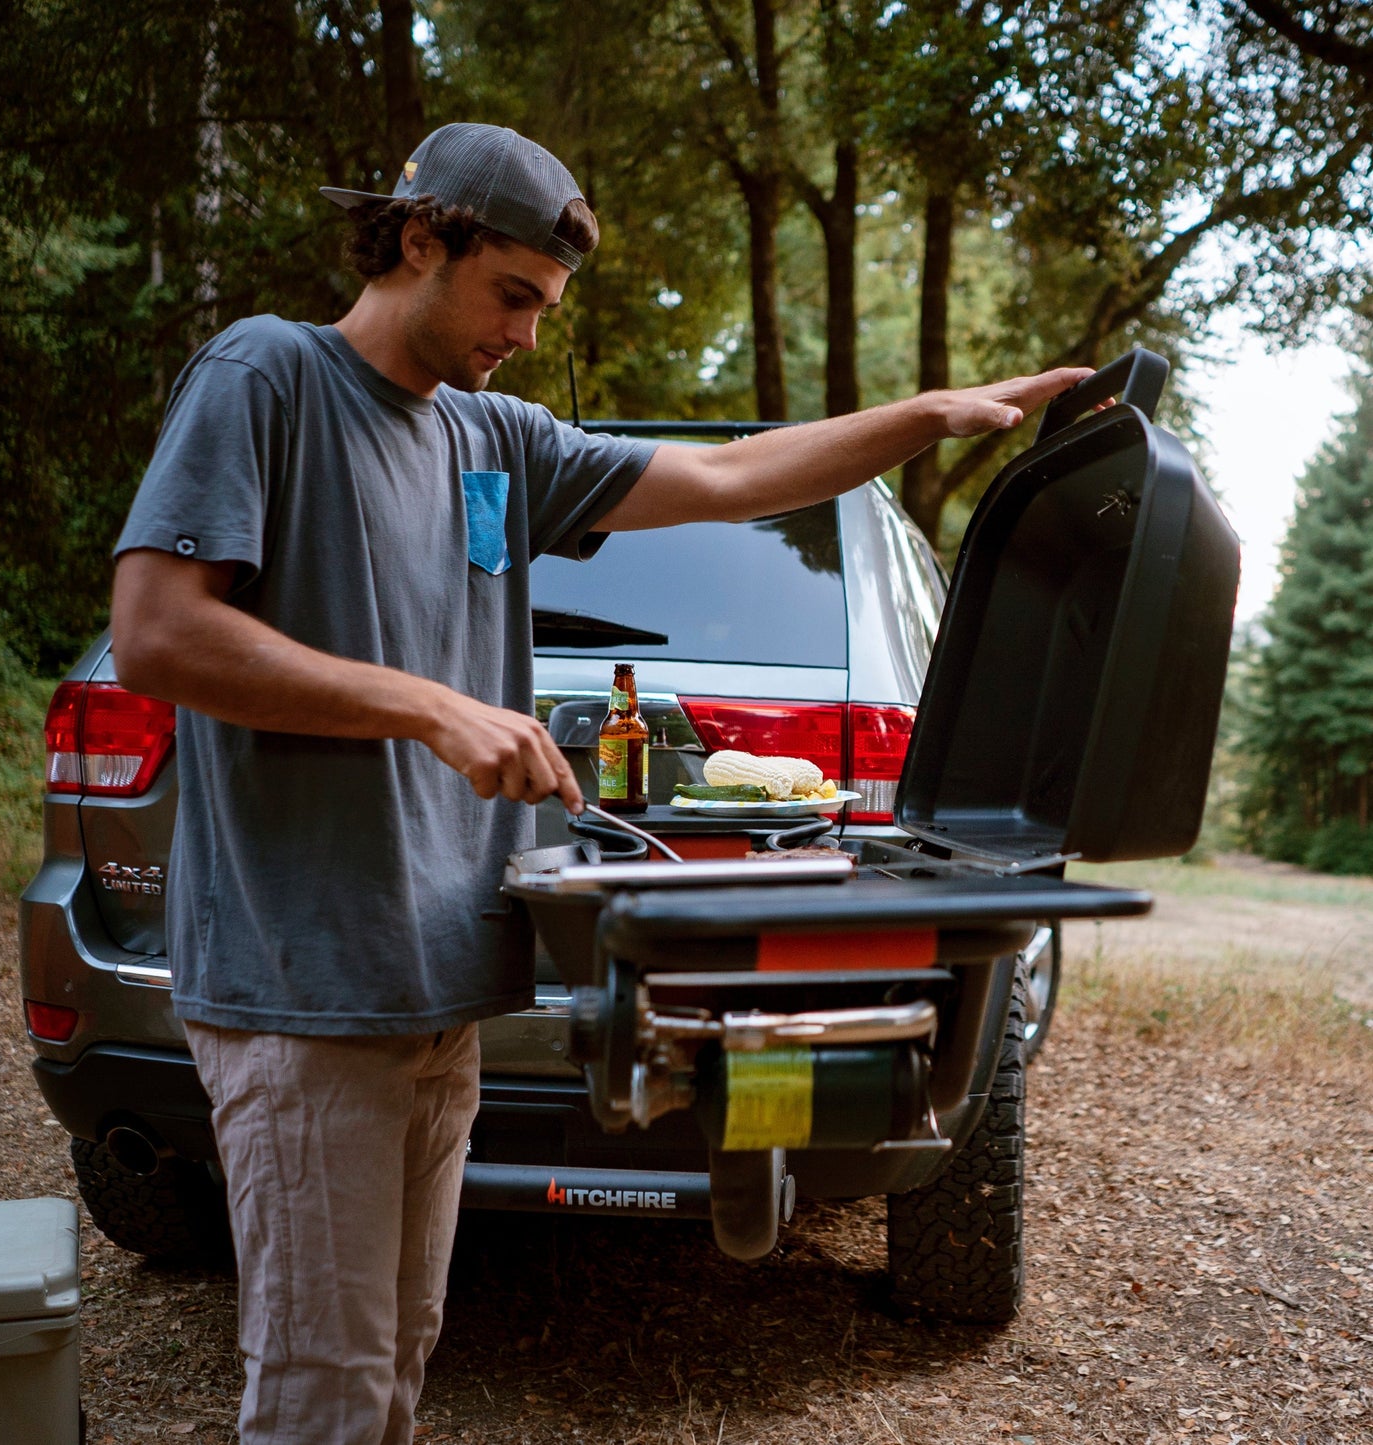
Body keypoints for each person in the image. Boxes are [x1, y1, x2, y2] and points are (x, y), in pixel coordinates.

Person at [110, 121, 1094, 1445]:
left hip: (434, 989)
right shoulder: (267, 377)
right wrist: (430, 706)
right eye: (511, 293)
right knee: (320, 1394)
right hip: (304, 985)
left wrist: (932, 417)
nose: (525, 331)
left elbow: (731, 474)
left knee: (394, 1363)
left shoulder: (491, 441)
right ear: (417, 239)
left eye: (543, 306)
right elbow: (160, 631)